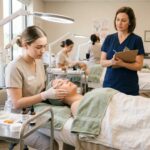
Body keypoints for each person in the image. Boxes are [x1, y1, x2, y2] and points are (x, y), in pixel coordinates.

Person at [4, 25, 67, 150]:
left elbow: (41, 88)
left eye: (44, 46)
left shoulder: (38, 62)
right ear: (25, 45)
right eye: (38, 47)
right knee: (50, 145)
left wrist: (53, 85)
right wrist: (46, 95)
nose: (43, 50)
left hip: (33, 113)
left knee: (61, 140)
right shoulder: (14, 67)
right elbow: (17, 103)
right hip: (16, 119)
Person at [100, 6, 145, 95]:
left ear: (130, 22)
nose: (119, 23)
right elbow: (102, 62)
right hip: (109, 85)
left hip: (128, 86)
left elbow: (139, 66)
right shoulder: (109, 38)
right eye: (117, 19)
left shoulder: (136, 40)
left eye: (123, 20)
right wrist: (112, 62)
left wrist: (122, 64)